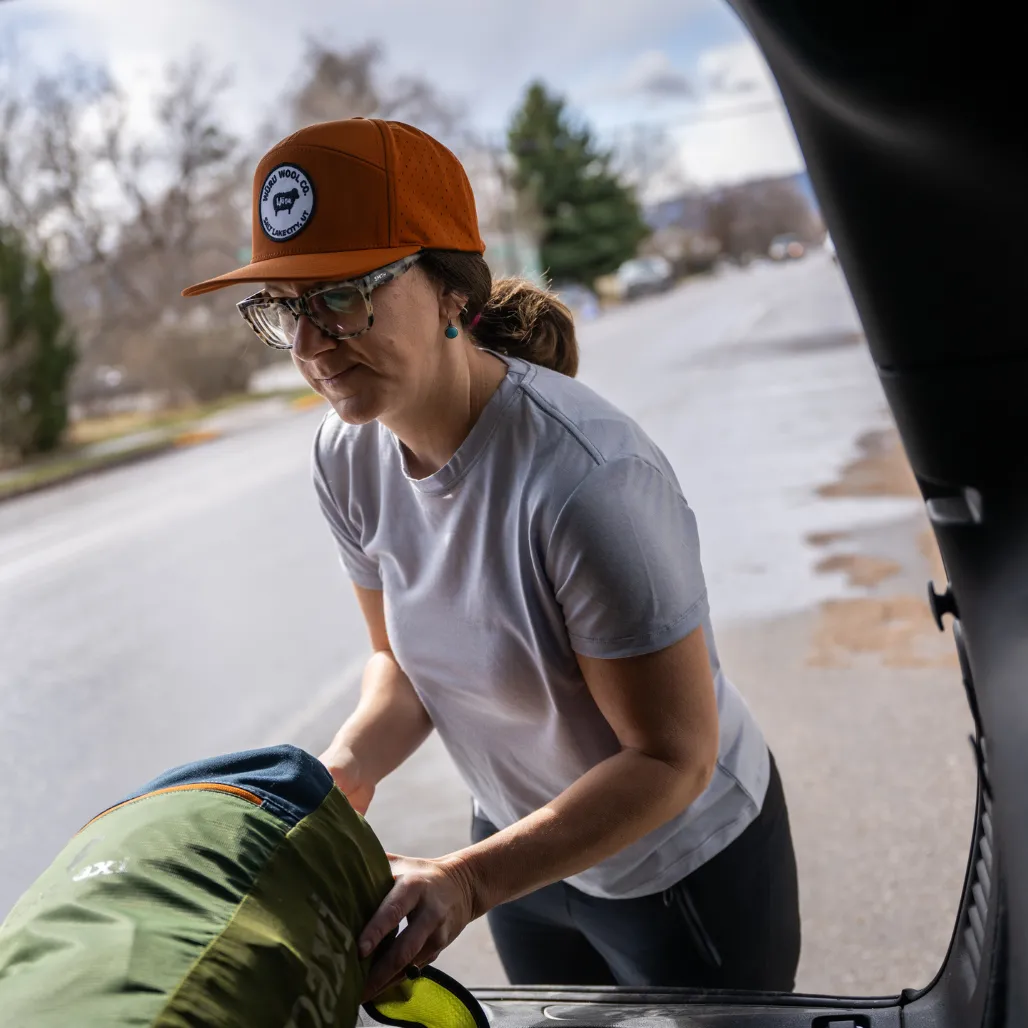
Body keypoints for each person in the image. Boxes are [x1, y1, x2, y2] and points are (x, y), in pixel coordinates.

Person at [183, 118, 800, 1001]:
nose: (313, 347)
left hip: (675, 868)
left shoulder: (587, 482)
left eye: (345, 294)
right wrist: (343, 771)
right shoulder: (344, 453)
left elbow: (673, 757)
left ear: (448, 292)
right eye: (288, 306)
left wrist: (469, 880)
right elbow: (399, 664)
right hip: (521, 856)